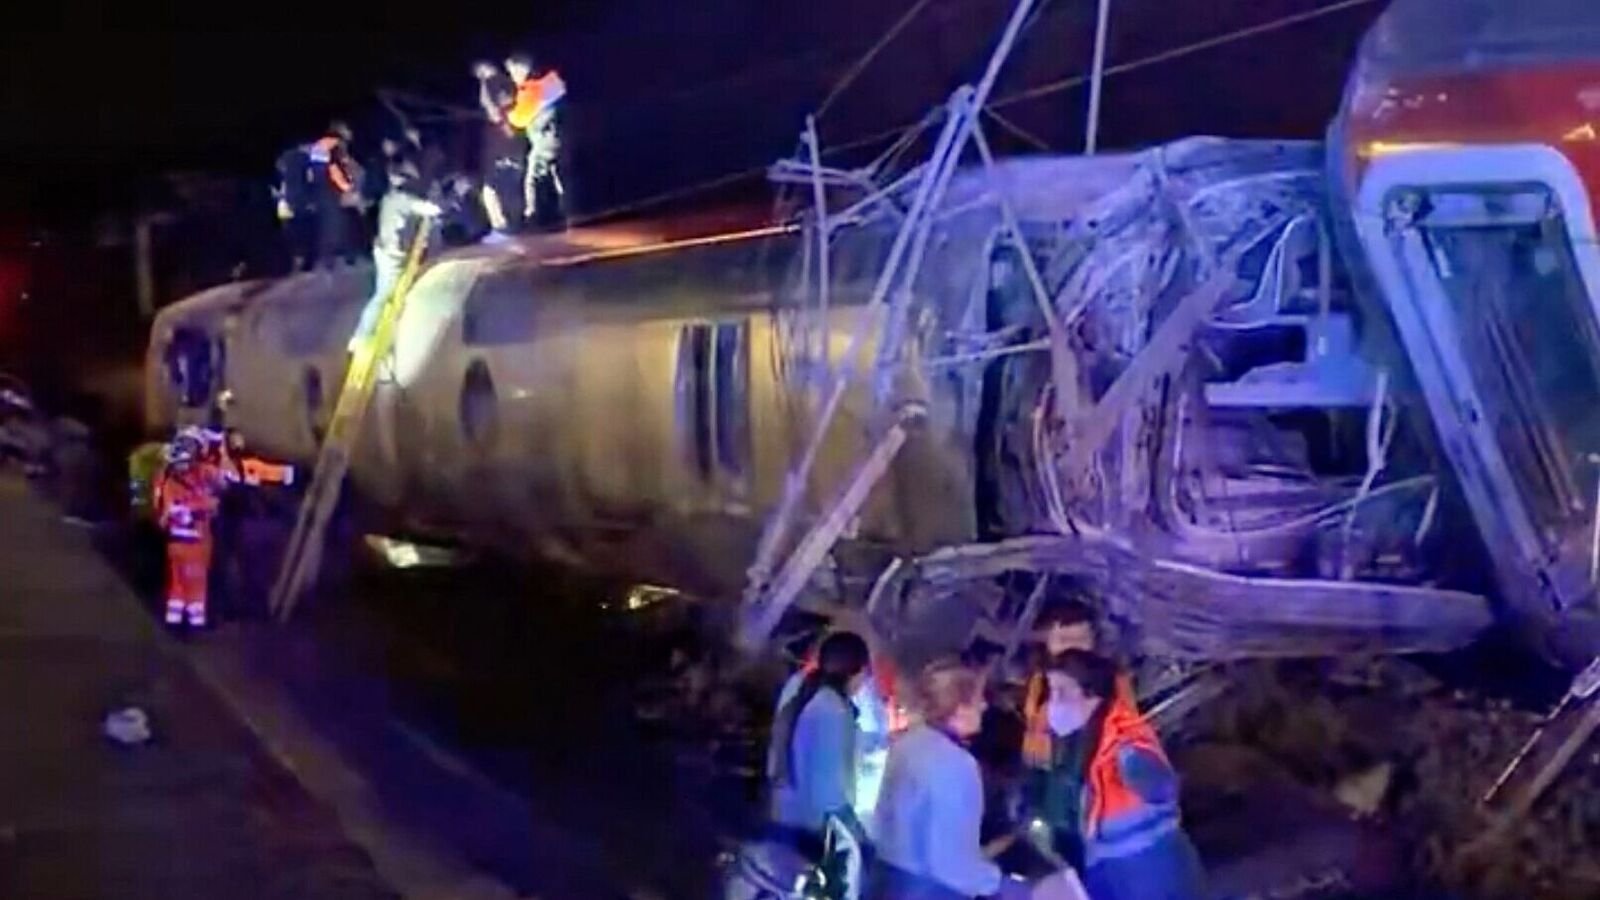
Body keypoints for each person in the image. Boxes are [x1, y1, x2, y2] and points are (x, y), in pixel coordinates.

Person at [1043, 650, 1204, 900]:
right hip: (1118, 876)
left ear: (1092, 694)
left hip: (1154, 874)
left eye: (1062, 692)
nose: (1053, 703)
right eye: (1051, 692)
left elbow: (1162, 788)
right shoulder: (1085, 745)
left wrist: (1139, 769)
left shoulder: (1125, 741)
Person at [871, 659, 1029, 900]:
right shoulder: (957, 764)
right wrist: (1004, 886)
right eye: (978, 700)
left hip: (886, 883)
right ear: (958, 708)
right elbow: (951, 864)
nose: (984, 706)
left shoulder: (906, 743)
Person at [768, 630, 872, 862]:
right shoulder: (833, 709)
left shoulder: (802, 690)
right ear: (858, 671)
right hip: (811, 834)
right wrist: (859, 839)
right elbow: (829, 792)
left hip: (785, 822)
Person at [347, 159, 441, 353]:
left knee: (388, 292)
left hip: (386, 250)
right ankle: (361, 336)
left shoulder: (390, 198)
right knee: (382, 295)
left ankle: (371, 334)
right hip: (391, 255)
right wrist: (441, 202)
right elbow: (429, 210)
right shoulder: (402, 199)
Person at [153, 427, 226, 628]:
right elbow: (219, 487)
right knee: (196, 586)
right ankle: (195, 624)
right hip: (194, 543)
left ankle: (173, 620)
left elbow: (163, 512)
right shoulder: (199, 476)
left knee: (177, 584)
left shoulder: (166, 479)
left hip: (175, 542)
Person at [504, 52, 568, 229]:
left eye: (513, 72)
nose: (512, 77)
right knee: (557, 175)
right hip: (559, 136)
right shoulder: (551, 81)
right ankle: (563, 212)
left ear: (522, 69)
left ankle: (534, 216)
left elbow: (519, 119)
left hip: (544, 140)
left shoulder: (530, 90)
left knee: (534, 178)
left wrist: (509, 113)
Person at [473, 59, 526, 240]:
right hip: (508, 151)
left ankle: (505, 228)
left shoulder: (497, 86)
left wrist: (483, 83)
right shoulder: (506, 85)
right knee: (504, 191)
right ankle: (511, 228)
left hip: (506, 152)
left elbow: (491, 108)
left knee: (495, 191)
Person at [306, 121, 361, 269]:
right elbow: (334, 168)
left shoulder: (318, 146)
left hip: (320, 190)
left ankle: (328, 258)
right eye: (347, 130)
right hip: (333, 190)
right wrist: (347, 187)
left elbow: (313, 170)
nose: (350, 133)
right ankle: (344, 257)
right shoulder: (335, 145)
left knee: (326, 224)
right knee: (340, 224)